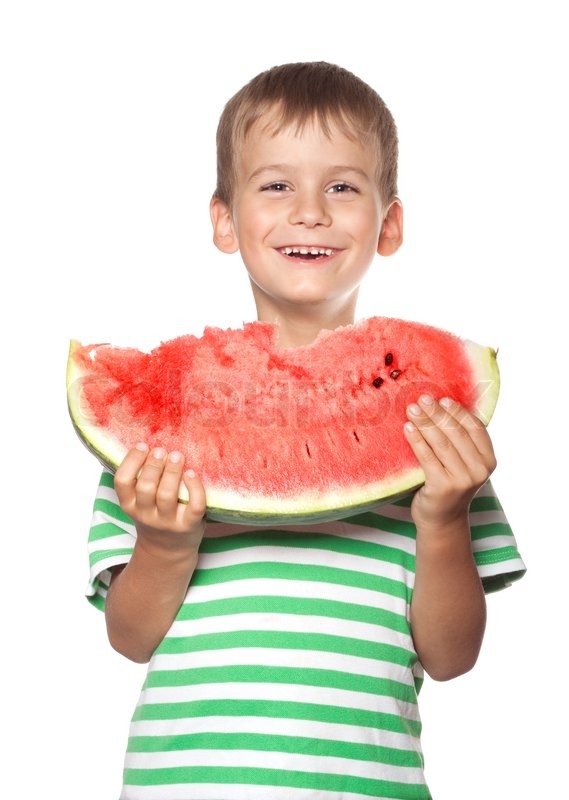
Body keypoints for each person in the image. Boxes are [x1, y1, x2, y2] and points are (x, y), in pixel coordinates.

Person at [86, 62, 526, 800]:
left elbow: (450, 658)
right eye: (276, 185)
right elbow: (129, 639)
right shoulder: (165, 431)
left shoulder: (433, 431)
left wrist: (444, 518)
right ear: (224, 219)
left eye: (343, 187)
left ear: (388, 225)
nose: (311, 212)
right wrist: (164, 542)